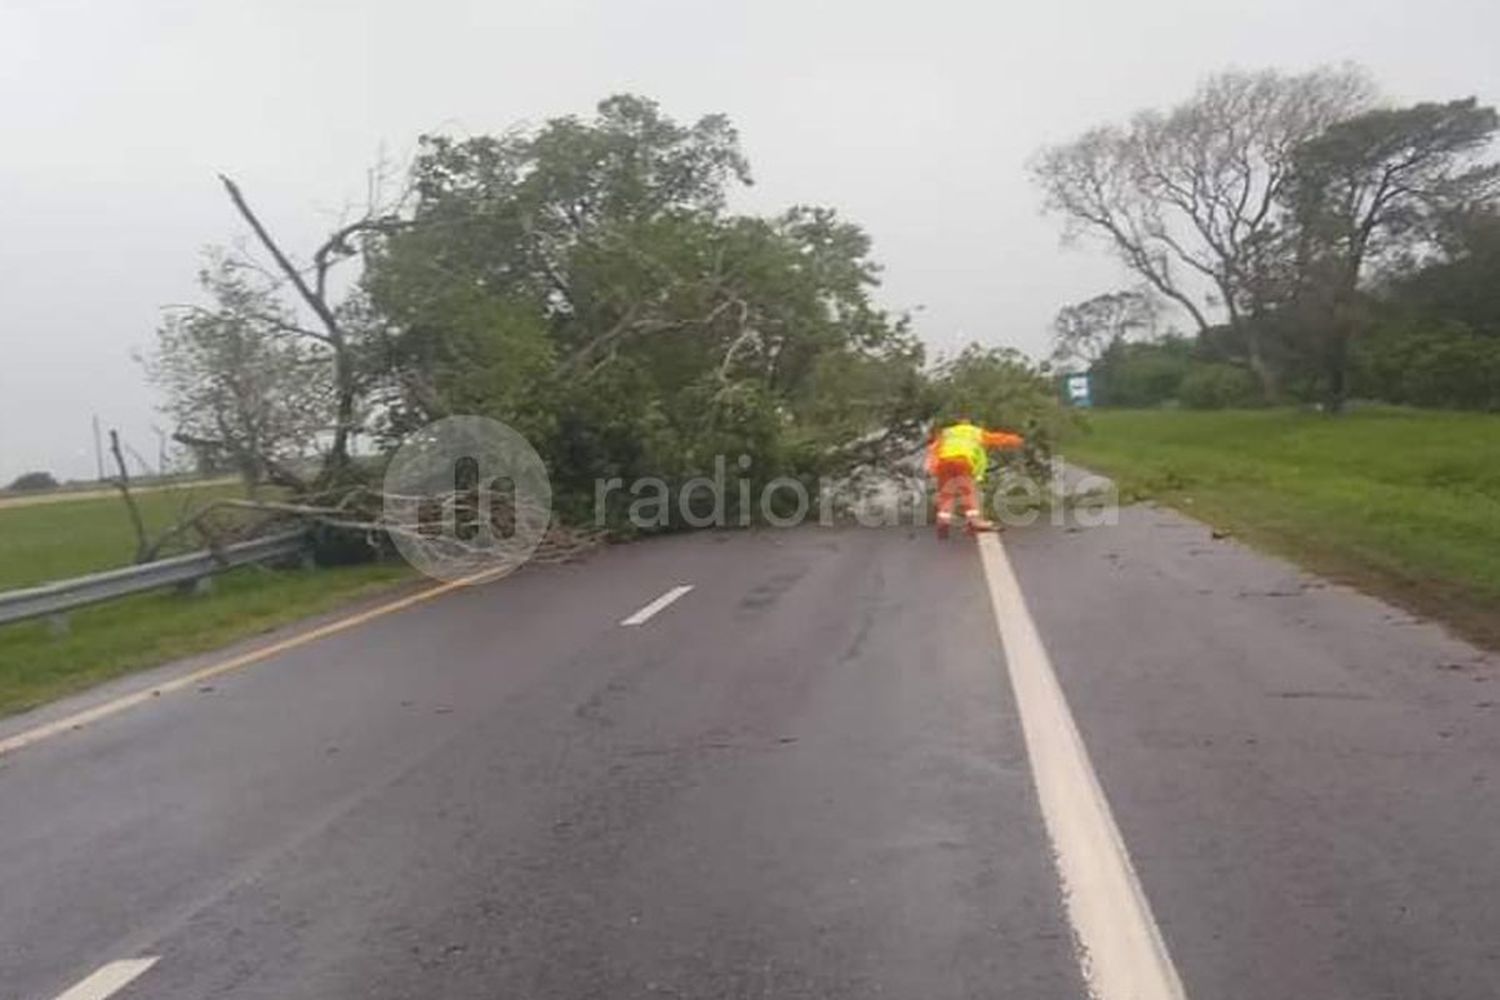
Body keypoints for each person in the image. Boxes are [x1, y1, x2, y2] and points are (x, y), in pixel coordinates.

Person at [925, 417, 1025, 538]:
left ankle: (943, 522)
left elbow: (933, 449)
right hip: (962, 461)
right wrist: (1017, 440)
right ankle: (975, 522)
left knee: (946, 494)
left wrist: (931, 468)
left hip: (943, 463)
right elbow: (997, 438)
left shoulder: (947, 432)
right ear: (969, 423)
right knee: (968, 493)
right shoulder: (975, 432)